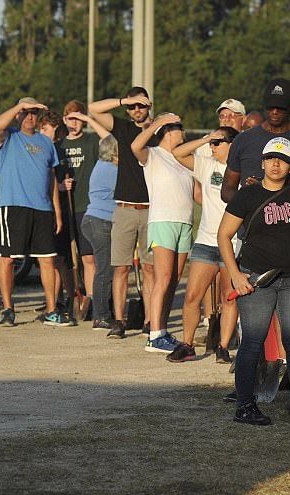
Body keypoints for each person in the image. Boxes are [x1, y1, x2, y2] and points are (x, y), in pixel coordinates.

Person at [218, 137, 290, 427]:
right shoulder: (246, 196)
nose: (276, 164)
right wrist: (235, 274)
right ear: (262, 162)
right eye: (271, 158)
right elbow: (223, 236)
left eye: (283, 160)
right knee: (252, 342)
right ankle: (246, 406)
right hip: (256, 278)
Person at [88, 87, 159, 339]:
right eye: (132, 106)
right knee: (120, 268)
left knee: (151, 269)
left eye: (140, 105)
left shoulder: (159, 131)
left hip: (152, 209)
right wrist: (123, 101)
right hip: (125, 208)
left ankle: (151, 321)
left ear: (149, 105)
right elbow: (93, 108)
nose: (136, 110)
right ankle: (118, 320)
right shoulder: (122, 128)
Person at [169, 125, 240, 363]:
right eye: (212, 142)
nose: (212, 147)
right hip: (206, 241)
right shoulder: (207, 165)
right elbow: (178, 153)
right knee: (192, 296)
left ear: (232, 145)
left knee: (229, 297)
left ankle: (222, 347)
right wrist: (205, 138)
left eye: (218, 143)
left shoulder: (244, 170)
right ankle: (187, 344)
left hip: (233, 243)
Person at [0, 97, 63, 327]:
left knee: (47, 261)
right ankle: (7, 309)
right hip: (14, 206)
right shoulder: (9, 137)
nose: (30, 116)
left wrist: (57, 212)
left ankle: (52, 309)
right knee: (8, 259)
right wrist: (18, 107)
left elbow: (52, 178)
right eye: (25, 112)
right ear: (18, 114)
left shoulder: (46, 142)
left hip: (41, 208)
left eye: (33, 112)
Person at [130, 113, 192, 353]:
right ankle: (154, 336)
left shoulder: (183, 160)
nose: (183, 132)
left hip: (184, 223)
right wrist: (157, 122)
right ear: (166, 131)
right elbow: (135, 145)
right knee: (163, 277)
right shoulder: (153, 155)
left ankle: (163, 330)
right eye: (178, 128)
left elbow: (197, 193)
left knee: (173, 280)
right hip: (162, 221)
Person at [221, 78, 290, 203]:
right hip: (249, 221)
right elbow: (227, 190)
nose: (274, 112)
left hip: (289, 220)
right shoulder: (243, 140)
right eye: (270, 106)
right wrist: (248, 200)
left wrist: (268, 189)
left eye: (280, 107)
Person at [62, 101, 104, 314]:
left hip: (88, 207)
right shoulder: (60, 145)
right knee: (68, 259)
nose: (75, 123)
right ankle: (70, 296)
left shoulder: (90, 141)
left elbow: (108, 139)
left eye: (79, 118)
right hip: (67, 207)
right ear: (64, 119)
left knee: (89, 257)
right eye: (71, 118)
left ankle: (92, 299)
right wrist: (62, 184)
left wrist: (89, 119)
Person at [38, 110, 78, 325]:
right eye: (49, 133)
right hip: (41, 210)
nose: (52, 139)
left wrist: (63, 186)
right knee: (49, 261)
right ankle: (52, 304)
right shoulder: (35, 149)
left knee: (61, 261)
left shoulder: (57, 150)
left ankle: (63, 303)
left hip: (58, 210)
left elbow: (56, 179)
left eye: (55, 134)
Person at [82, 135, 120, 331]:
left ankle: (105, 310)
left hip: (94, 219)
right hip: (101, 221)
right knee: (105, 269)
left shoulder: (100, 165)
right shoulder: (111, 170)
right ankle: (101, 315)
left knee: (105, 267)